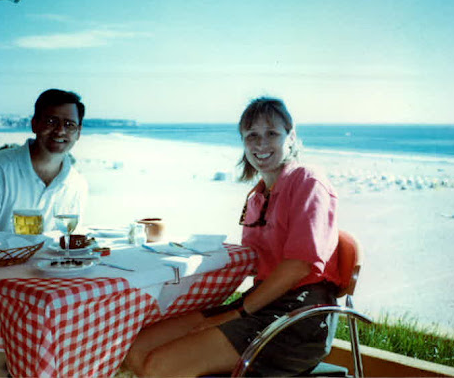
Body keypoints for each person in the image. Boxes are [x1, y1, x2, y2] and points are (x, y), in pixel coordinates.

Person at [124, 97, 342, 377]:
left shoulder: (308, 181)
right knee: (138, 348)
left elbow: (298, 265)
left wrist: (236, 313)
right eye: (252, 135)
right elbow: (253, 262)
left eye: (272, 134)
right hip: (261, 301)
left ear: (291, 136)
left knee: (162, 366)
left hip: (300, 318)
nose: (260, 144)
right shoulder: (258, 195)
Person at [0, 88, 88, 377]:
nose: (60, 130)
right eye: (51, 121)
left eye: (70, 124)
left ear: (79, 132)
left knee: (78, 331)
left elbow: (68, 244)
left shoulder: (76, 183)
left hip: (35, 282)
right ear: (34, 124)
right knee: (10, 367)